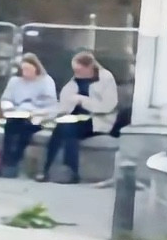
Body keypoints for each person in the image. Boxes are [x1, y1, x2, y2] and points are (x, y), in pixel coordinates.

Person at [39, 51, 119, 182]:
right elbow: (64, 104)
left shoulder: (105, 78)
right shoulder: (74, 81)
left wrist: (82, 100)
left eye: (79, 70)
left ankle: (70, 172)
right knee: (61, 128)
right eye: (74, 70)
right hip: (75, 119)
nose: (76, 73)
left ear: (89, 67)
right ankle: (47, 169)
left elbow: (107, 106)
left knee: (68, 128)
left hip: (97, 121)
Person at [0, 52, 58, 175]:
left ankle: (14, 161)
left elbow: (52, 106)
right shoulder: (15, 81)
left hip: (37, 117)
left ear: (36, 68)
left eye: (28, 69)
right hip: (17, 114)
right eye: (24, 69)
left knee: (24, 131)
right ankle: (6, 162)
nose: (26, 72)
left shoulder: (46, 81)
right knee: (10, 128)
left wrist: (37, 113)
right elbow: (6, 99)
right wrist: (9, 108)